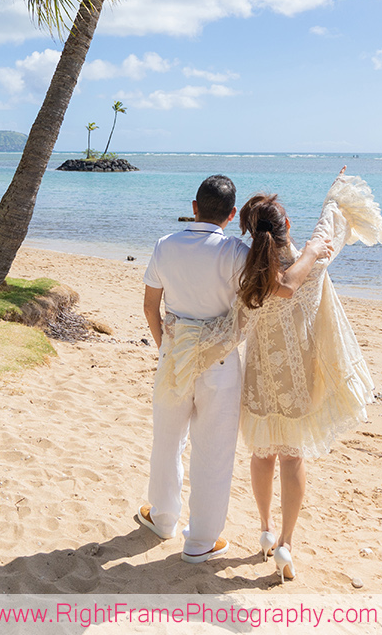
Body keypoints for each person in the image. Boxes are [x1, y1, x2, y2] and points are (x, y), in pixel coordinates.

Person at [135, 174, 328, 563]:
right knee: (214, 452)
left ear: (194, 208)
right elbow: (283, 287)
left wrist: (166, 349)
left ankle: (162, 517)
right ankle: (200, 541)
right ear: (231, 214)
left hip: (175, 355)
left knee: (167, 440)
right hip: (219, 364)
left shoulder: (164, 246)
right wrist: (312, 251)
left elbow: (149, 307)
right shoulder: (238, 253)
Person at [236, 169, 382, 582]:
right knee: (292, 456)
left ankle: (265, 529)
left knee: (261, 453)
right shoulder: (313, 260)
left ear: (250, 232)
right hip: (298, 379)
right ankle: (286, 541)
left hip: (258, 377)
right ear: (286, 225)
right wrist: (334, 191)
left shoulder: (244, 269)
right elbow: (331, 223)